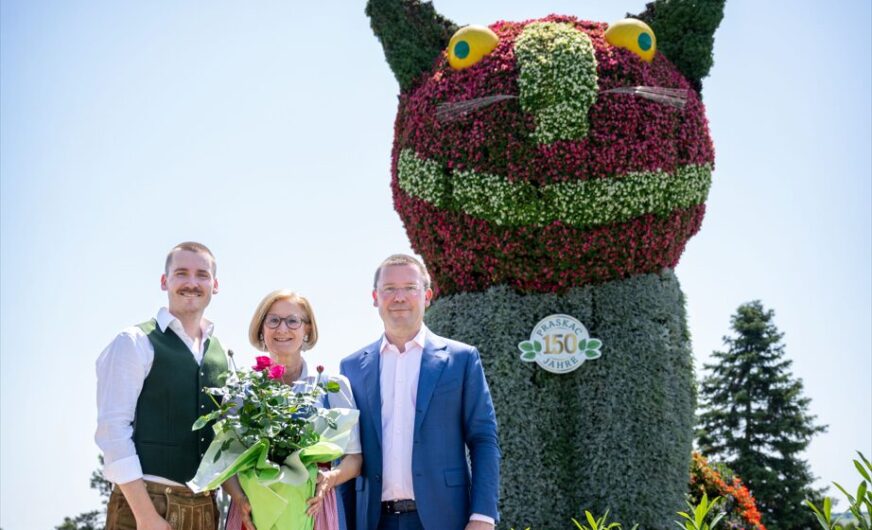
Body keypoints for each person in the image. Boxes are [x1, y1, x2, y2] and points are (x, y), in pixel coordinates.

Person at [340, 254, 501, 530]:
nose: (399, 297)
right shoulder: (351, 367)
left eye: (410, 288)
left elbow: (483, 439)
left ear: (427, 295)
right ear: (375, 297)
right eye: (389, 288)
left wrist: (483, 516)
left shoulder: (462, 359)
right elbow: (345, 449)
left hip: (446, 517)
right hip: (373, 520)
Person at [96, 241, 247, 530]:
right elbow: (112, 430)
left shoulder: (221, 353)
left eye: (202, 275)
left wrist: (239, 497)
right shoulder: (134, 341)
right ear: (165, 281)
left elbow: (223, 439)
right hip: (145, 505)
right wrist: (146, 516)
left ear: (215, 285)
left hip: (205, 505)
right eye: (182, 273)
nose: (192, 283)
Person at [224, 289, 362, 530]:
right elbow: (224, 459)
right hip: (254, 513)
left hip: (312, 510)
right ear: (261, 329)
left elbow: (354, 459)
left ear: (307, 329)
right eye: (273, 320)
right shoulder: (240, 389)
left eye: (293, 321)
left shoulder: (332, 387)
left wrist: (329, 479)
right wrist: (240, 498)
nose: (282, 329)